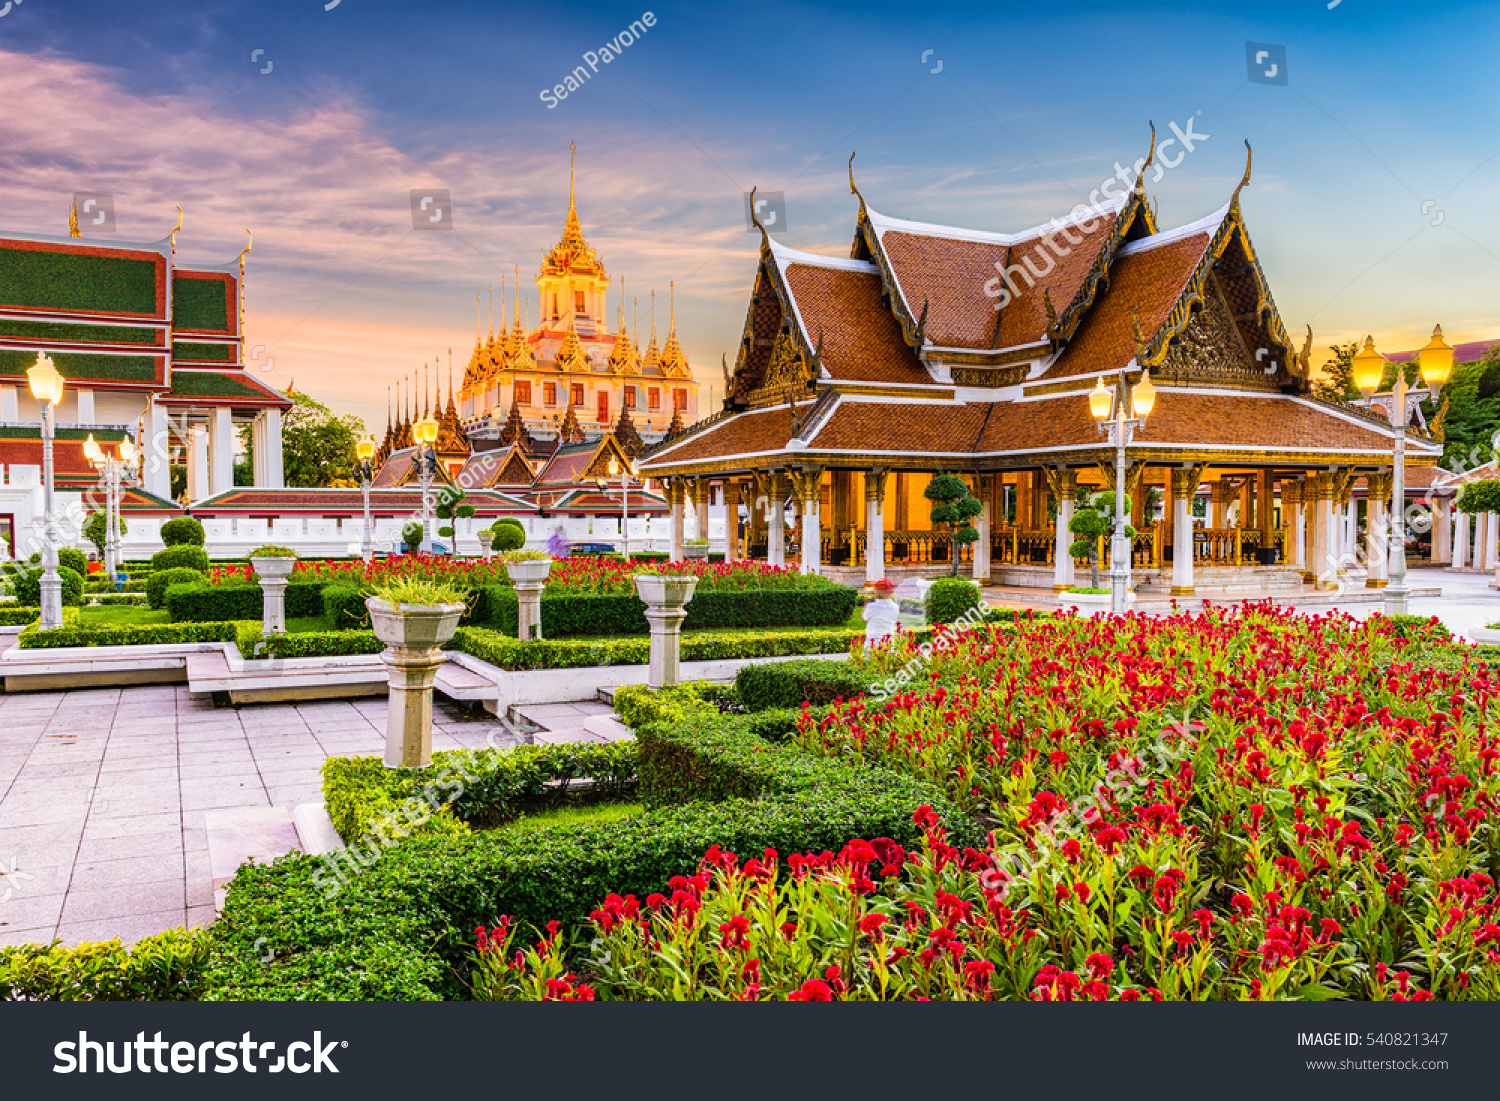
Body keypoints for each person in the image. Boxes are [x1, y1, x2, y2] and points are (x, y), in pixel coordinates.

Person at [862, 578, 900, 649]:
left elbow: (864, 618)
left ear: (877, 591)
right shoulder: (895, 607)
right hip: (889, 644)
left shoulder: (871, 606)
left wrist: (866, 603)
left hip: (872, 644)